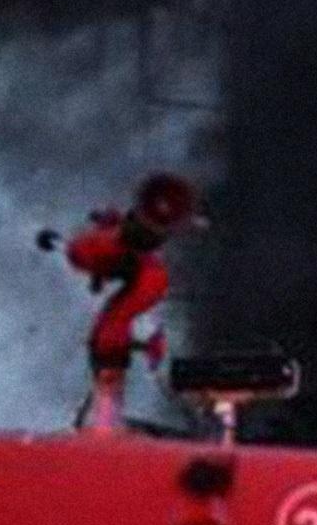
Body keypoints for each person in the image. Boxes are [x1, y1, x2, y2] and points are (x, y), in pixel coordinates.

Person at [39, 172, 202, 434]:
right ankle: (106, 415)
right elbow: (89, 253)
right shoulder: (104, 248)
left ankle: (107, 418)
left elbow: (95, 253)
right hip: (128, 273)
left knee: (111, 333)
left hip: (138, 279)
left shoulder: (142, 269)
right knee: (109, 334)